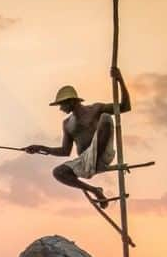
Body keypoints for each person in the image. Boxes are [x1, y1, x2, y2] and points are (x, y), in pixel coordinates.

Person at [24, 67, 131, 207]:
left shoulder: (96, 109)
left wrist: (120, 79)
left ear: (73, 101)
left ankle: (96, 159)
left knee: (105, 118)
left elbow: (125, 106)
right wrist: (40, 148)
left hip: (102, 155)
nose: (61, 108)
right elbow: (65, 151)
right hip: (85, 162)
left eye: (62, 104)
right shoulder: (67, 123)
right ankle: (95, 191)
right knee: (58, 172)